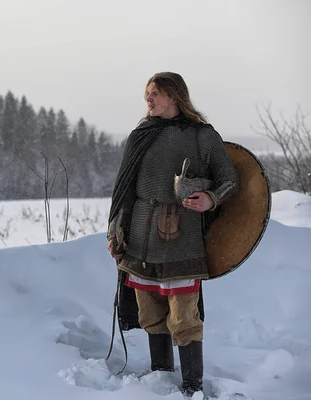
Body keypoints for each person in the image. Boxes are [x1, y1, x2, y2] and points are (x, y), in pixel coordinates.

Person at [106, 72, 239, 396]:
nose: (148, 100)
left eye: (154, 93)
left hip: (183, 237)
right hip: (141, 236)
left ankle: (191, 388)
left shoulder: (202, 136)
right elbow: (124, 188)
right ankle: (161, 379)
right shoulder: (141, 134)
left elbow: (230, 179)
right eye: (147, 94)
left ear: (174, 96)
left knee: (184, 319)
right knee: (150, 314)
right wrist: (116, 231)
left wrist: (211, 198)